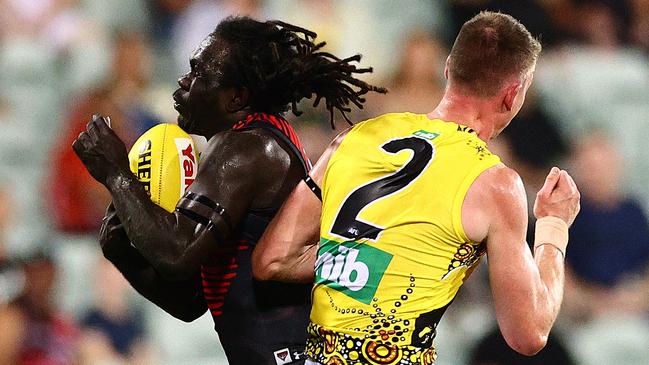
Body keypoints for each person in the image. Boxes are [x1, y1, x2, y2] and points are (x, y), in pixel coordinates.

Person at [253, 11, 581, 364]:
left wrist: (362, 258)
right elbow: (528, 334)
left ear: (448, 69)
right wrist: (554, 226)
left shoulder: (355, 138)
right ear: (513, 94)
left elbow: (271, 259)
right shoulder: (494, 183)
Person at [72, 16, 386, 365]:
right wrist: (123, 252)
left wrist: (117, 174)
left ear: (236, 98)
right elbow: (191, 301)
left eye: (199, 73)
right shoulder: (262, 141)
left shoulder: (245, 147)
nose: (184, 81)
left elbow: (177, 254)